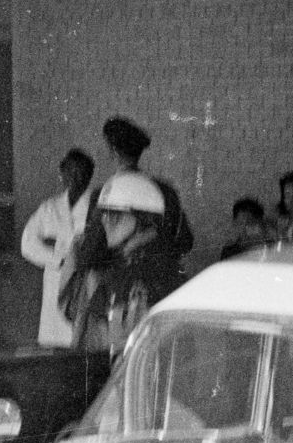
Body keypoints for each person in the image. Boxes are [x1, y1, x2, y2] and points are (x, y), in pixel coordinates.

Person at [63, 173, 183, 355]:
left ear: (144, 218)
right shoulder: (126, 265)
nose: (105, 220)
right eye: (103, 213)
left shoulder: (147, 272)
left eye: (114, 214)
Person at [18, 149, 96, 347]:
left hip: (84, 282)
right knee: (53, 344)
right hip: (55, 280)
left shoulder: (96, 208)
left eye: (81, 172)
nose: (75, 178)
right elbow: (28, 243)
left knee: (79, 340)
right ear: (62, 174)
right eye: (70, 171)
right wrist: (58, 259)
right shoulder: (50, 208)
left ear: (89, 176)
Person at [100, 116, 192, 269]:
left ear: (113, 151)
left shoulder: (106, 194)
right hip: (163, 279)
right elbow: (185, 241)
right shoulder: (166, 190)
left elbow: (92, 253)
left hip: (121, 282)